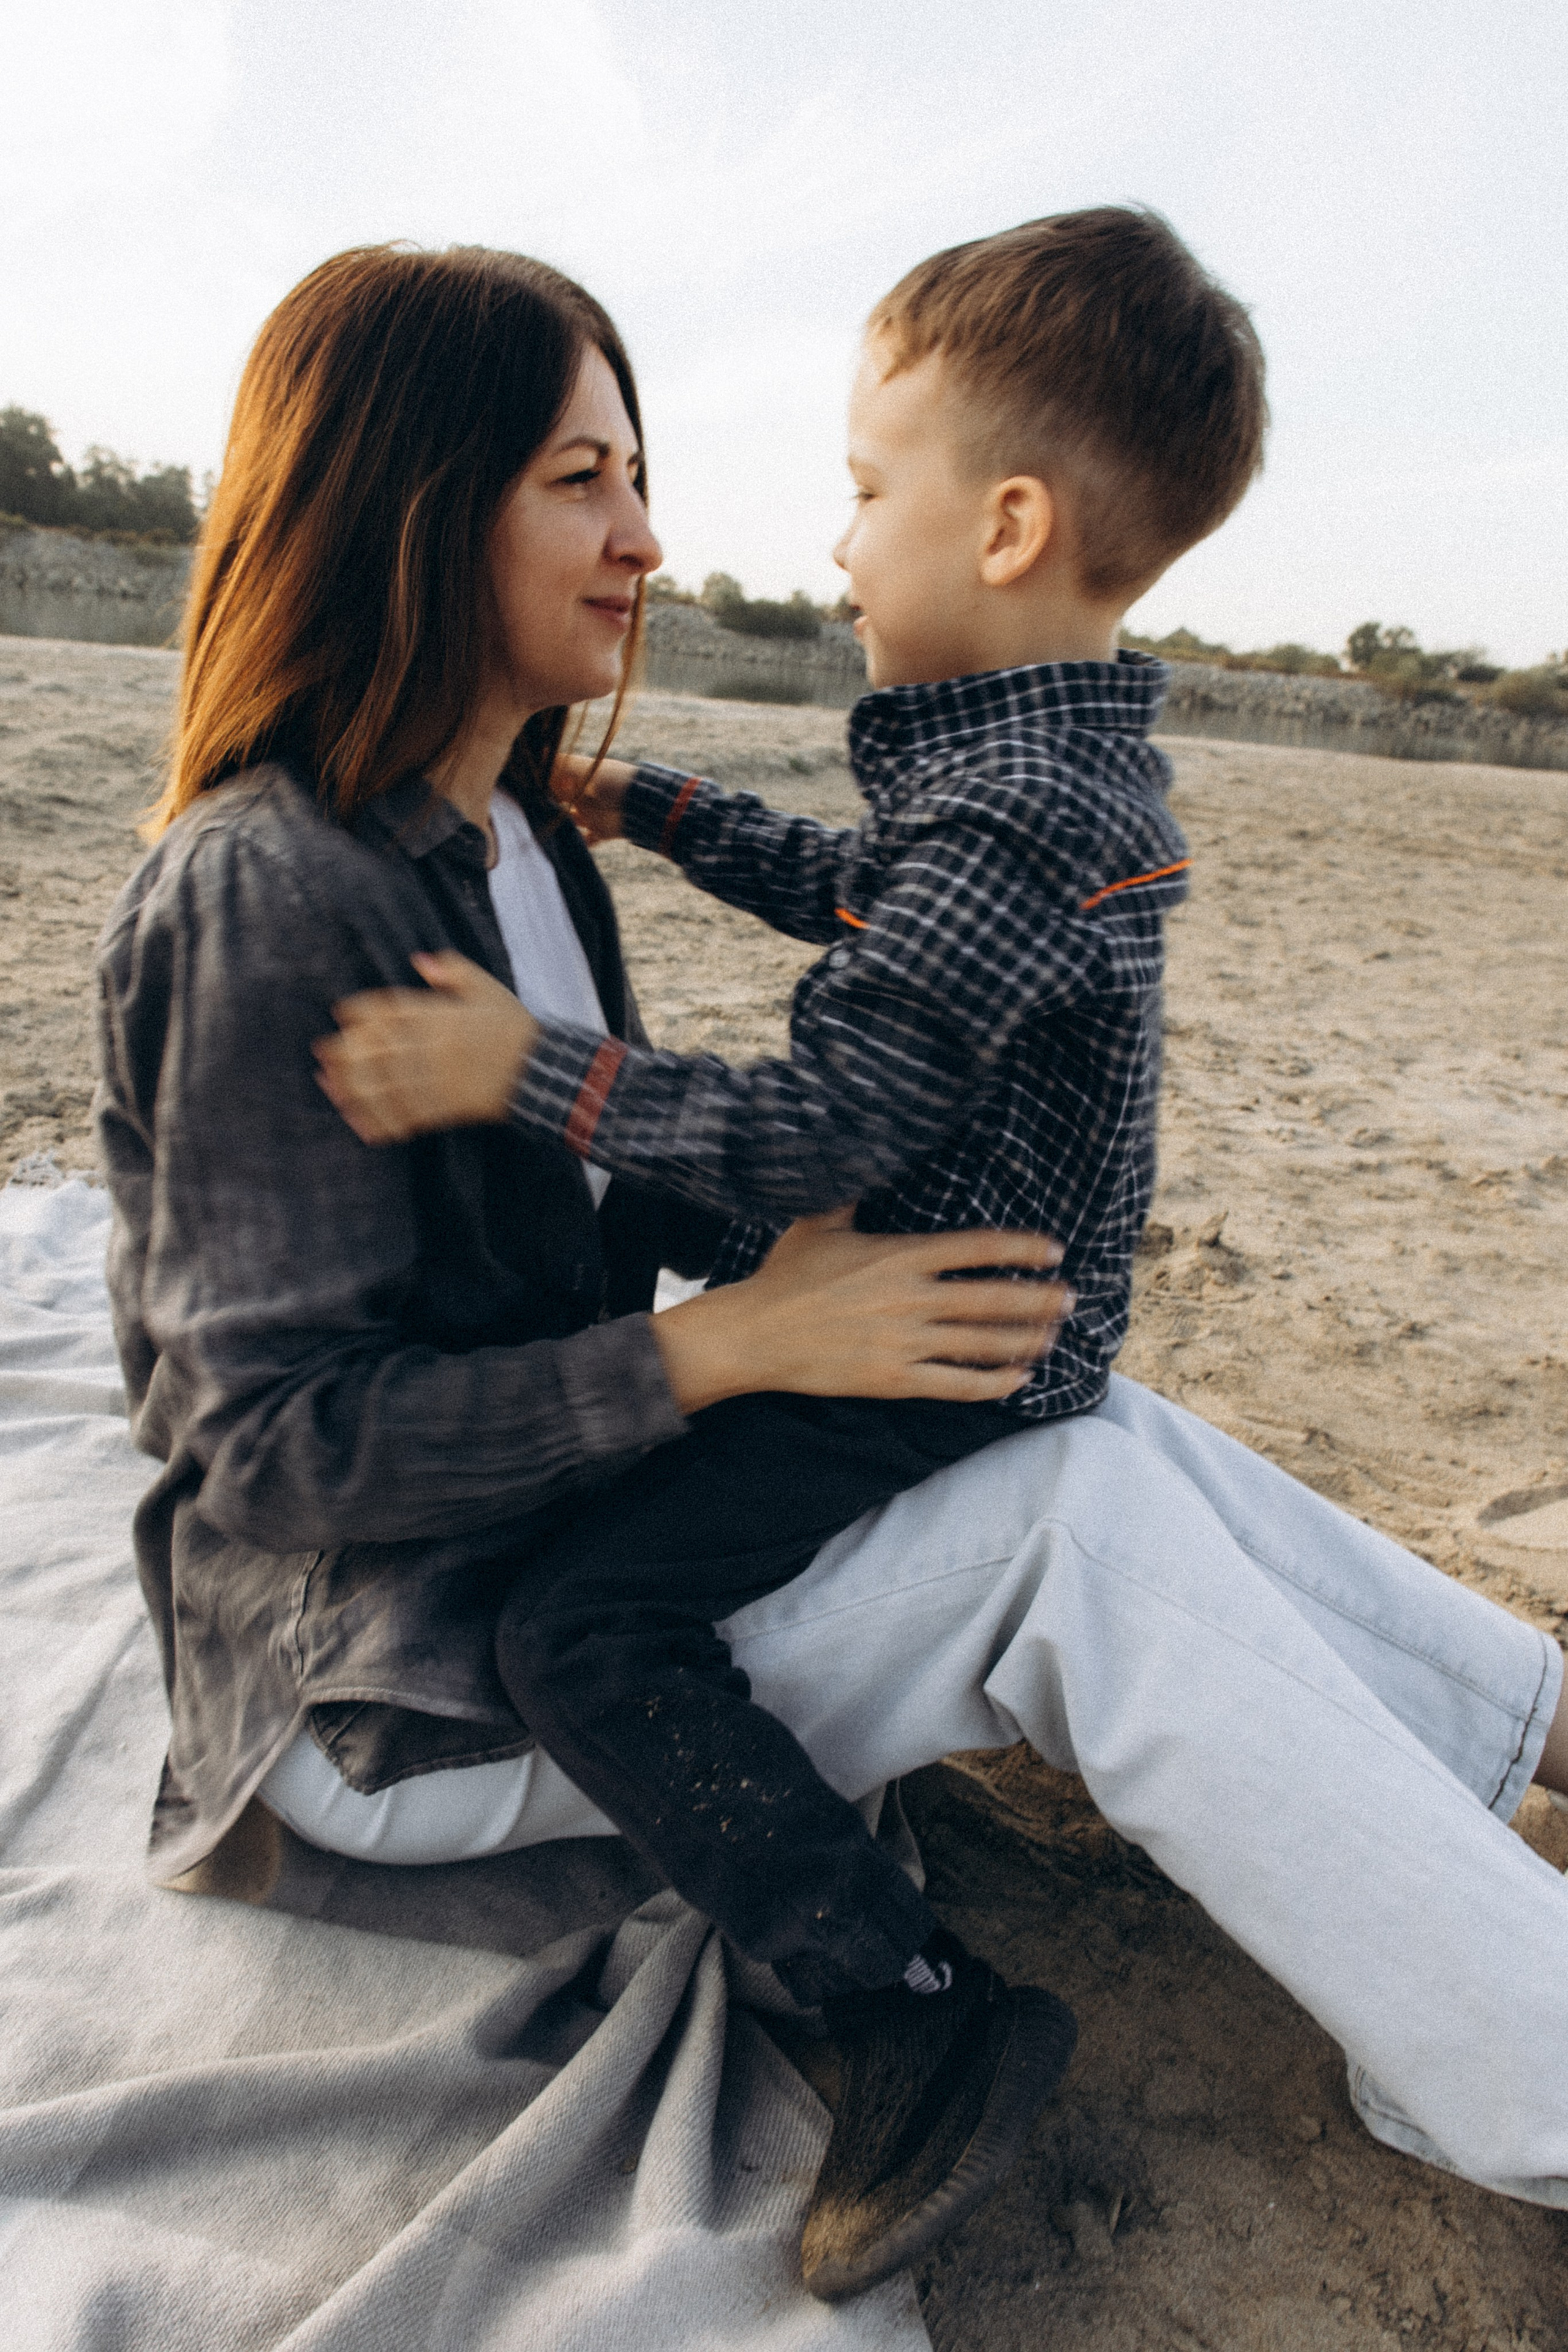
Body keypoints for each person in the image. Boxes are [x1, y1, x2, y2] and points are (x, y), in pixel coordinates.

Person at [96, 236, 1568, 2320]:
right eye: (579, 480)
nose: (648, 536)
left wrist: (763, 1301)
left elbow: (606, 1205)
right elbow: (266, 1464)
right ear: (412, 504)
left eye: (636, 470)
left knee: (1062, 1404)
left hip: (560, 1520)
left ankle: (1523, 1731)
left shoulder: (516, 833)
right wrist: (718, 1349)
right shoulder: (266, 897)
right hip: (403, 1678)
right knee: (1065, 1520)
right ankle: (1514, 2069)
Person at [312, 209, 1269, 2293]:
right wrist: (666, 809)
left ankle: (908, 2013)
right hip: (943, 1243)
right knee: (647, 1216)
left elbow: (824, 1123)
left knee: (583, 1635)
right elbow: (873, 899)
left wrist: (522, 1064)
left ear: (1005, 522)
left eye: (863, 487)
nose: (835, 545)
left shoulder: (1014, 805)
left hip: (948, 1322)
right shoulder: (1035, 761)